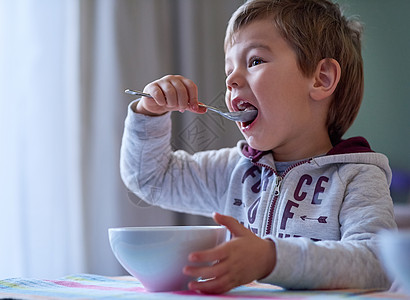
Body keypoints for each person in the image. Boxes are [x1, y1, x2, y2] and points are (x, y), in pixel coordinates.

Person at [120, 0, 397, 294]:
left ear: (321, 78)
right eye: (229, 69)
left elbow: (378, 263)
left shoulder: (358, 178)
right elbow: (150, 178)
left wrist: (271, 259)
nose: (231, 80)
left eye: (255, 61)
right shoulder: (232, 171)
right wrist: (150, 113)